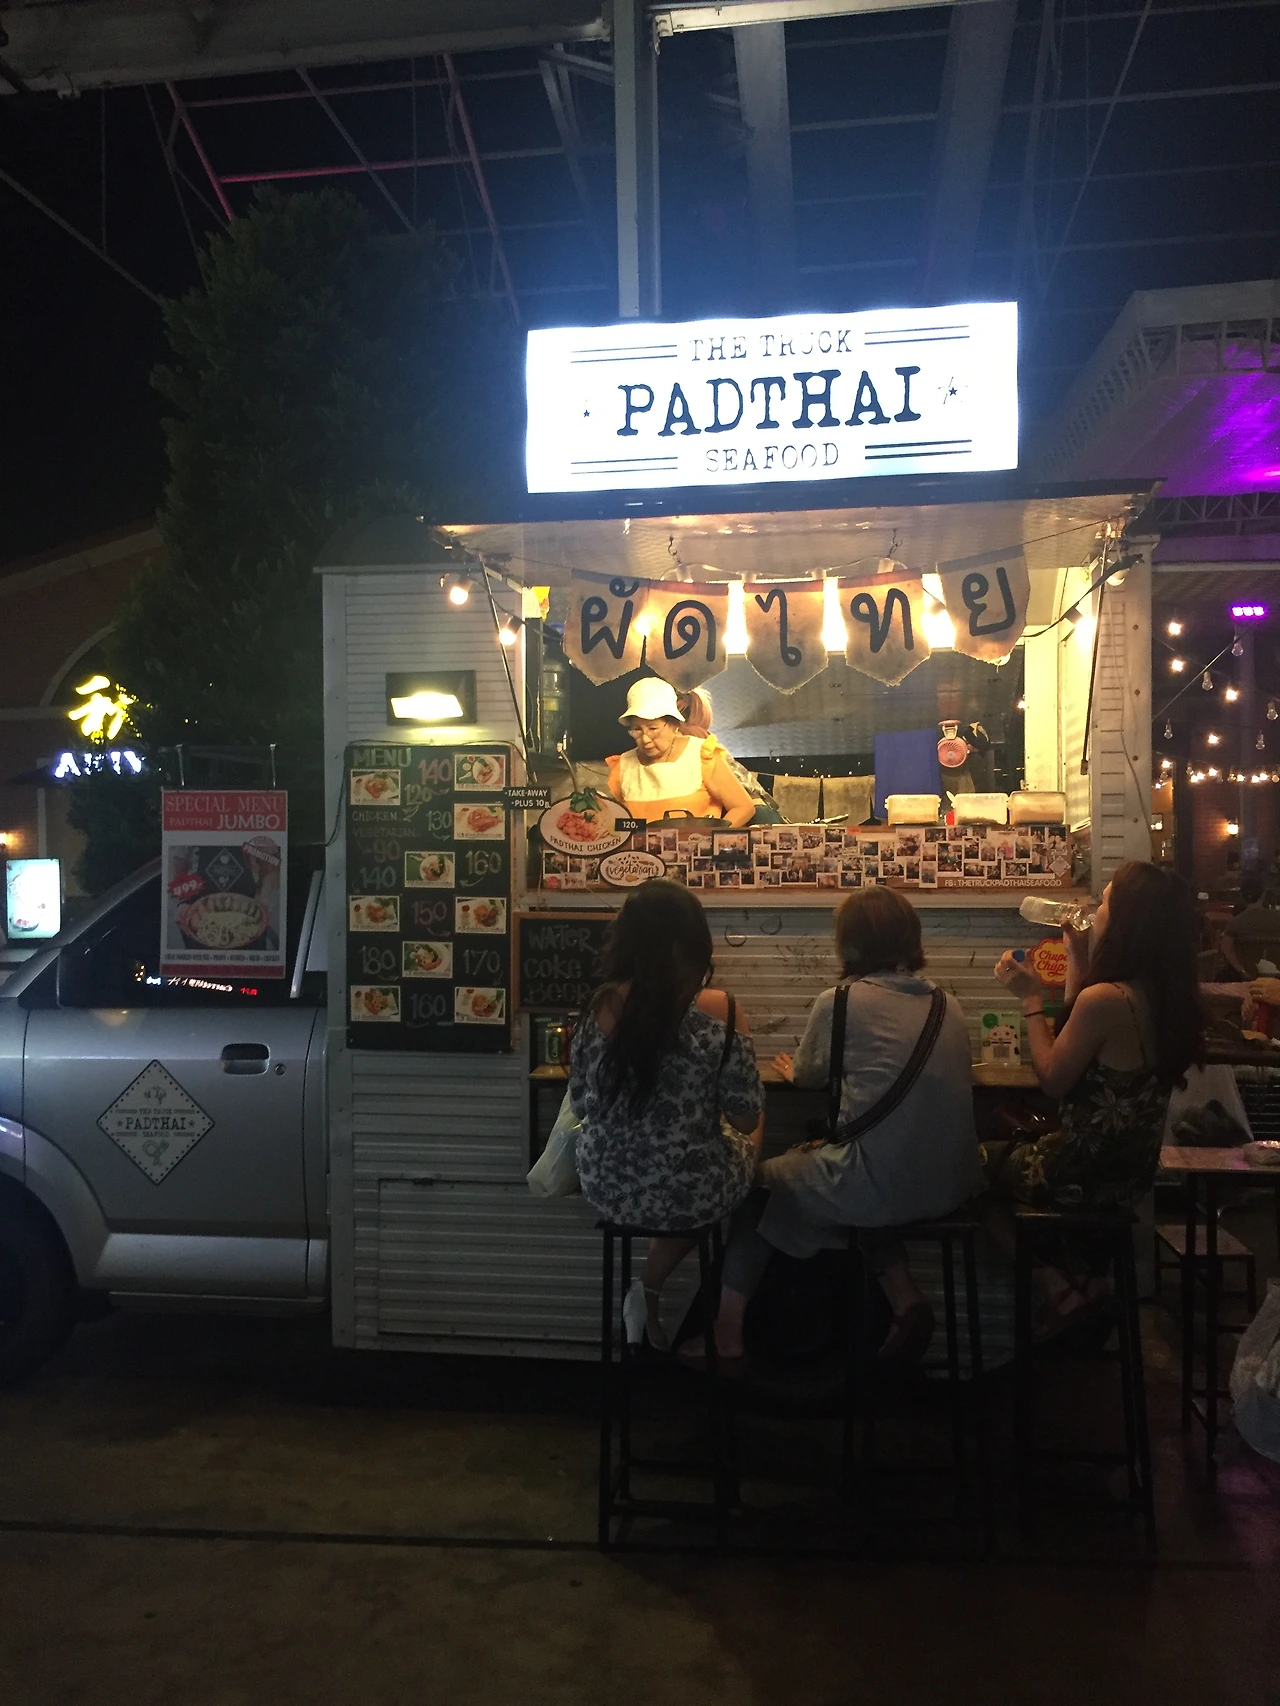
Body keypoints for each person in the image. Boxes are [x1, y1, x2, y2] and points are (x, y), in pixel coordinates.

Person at [701, 887, 983, 1367]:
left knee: (757, 1186)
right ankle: (905, 1299)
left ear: (849, 944)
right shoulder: (947, 1005)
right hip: (950, 1186)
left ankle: (726, 1337)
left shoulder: (842, 1001)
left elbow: (810, 1073)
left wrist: (792, 1070)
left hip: (881, 1184)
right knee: (855, 1175)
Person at [989, 860, 1205, 1334]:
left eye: (1105, 899)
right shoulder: (1160, 996)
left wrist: (1029, 1000)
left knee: (966, 1168)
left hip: (1080, 1170)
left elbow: (1053, 1078)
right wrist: (1077, 957)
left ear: (1126, 920)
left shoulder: (1106, 1000)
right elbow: (1080, 1029)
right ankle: (1084, 1279)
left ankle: (1054, 1285)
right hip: (1128, 1175)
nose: (1093, 906)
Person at [570, 879, 764, 1351]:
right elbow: (744, 1117)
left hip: (607, 1185)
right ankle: (657, 1291)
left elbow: (579, 1103)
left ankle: (647, 1294)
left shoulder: (597, 1007)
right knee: (740, 1142)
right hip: (692, 1190)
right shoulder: (720, 1009)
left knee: (680, 1167)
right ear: (690, 942)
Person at [606, 678, 755, 827]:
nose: (645, 739)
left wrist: (711, 837)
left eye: (653, 728)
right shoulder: (624, 765)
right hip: (640, 843)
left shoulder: (701, 755)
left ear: (673, 724)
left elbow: (743, 808)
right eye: (637, 729)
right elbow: (617, 823)